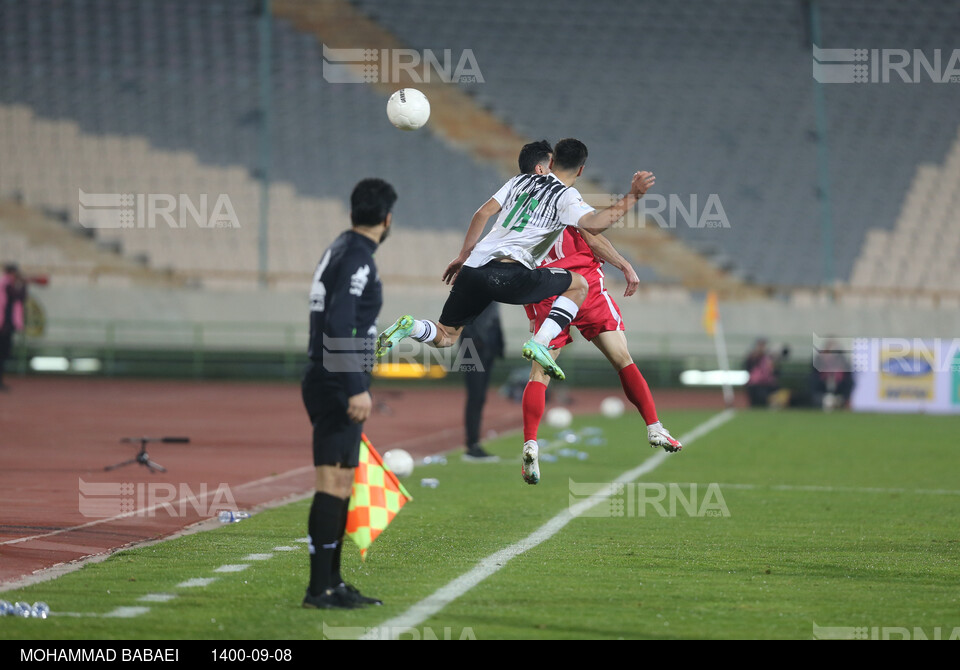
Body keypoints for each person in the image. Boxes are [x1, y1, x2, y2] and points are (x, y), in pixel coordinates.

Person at [376, 137, 656, 383]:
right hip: (508, 273)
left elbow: (481, 214)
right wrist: (633, 196)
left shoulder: (519, 180)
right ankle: (540, 343)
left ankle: (410, 326)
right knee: (579, 284)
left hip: (474, 269)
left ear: (552, 161)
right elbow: (594, 225)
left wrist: (463, 256)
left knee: (446, 336)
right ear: (581, 170)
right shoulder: (567, 195)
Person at [514, 142, 681, 485]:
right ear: (579, 168)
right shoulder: (567, 198)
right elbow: (592, 234)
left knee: (538, 374)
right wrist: (624, 263)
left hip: (546, 288)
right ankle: (654, 427)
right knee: (623, 359)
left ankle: (531, 443)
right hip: (585, 286)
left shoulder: (522, 200)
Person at [300, 178, 394, 610]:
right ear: (387, 219)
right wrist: (357, 386)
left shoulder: (338, 248)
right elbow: (339, 323)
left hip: (326, 375)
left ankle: (331, 584)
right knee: (332, 482)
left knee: (339, 483)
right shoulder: (358, 257)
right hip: (339, 380)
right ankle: (320, 588)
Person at [459, 302, 504, 461]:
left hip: (487, 348)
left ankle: (474, 444)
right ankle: (472, 446)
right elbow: (462, 316)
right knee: (475, 396)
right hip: (472, 347)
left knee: (479, 397)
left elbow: (493, 319)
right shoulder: (471, 285)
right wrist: (474, 338)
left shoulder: (493, 287)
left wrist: (498, 344)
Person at [0, 264, 27, 392]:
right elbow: (18, 295)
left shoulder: (7, 284)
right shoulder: (5, 284)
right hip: (3, 325)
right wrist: (24, 283)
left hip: (6, 325)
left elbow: (20, 297)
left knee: (4, 355)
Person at [743, 338, 784, 408]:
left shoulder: (770, 358)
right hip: (755, 385)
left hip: (768, 384)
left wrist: (773, 365)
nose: (762, 347)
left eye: (763, 345)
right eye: (760, 345)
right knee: (756, 402)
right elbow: (747, 367)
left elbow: (777, 373)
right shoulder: (752, 357)